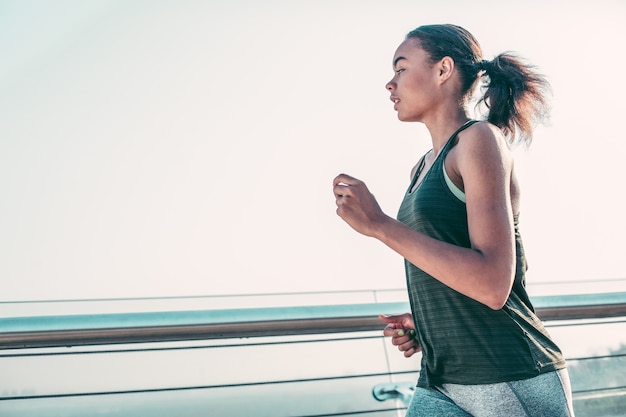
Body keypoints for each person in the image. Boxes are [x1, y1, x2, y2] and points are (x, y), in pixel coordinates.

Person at [333, 24, 575, 416]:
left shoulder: (478, 140)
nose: (389, 84)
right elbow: (451, 262)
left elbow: (494, 284)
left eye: (400, 69)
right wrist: (430, 320)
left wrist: (379, 224)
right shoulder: (422, 167)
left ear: (443, 70)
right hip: (442, 379)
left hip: (509, 376)